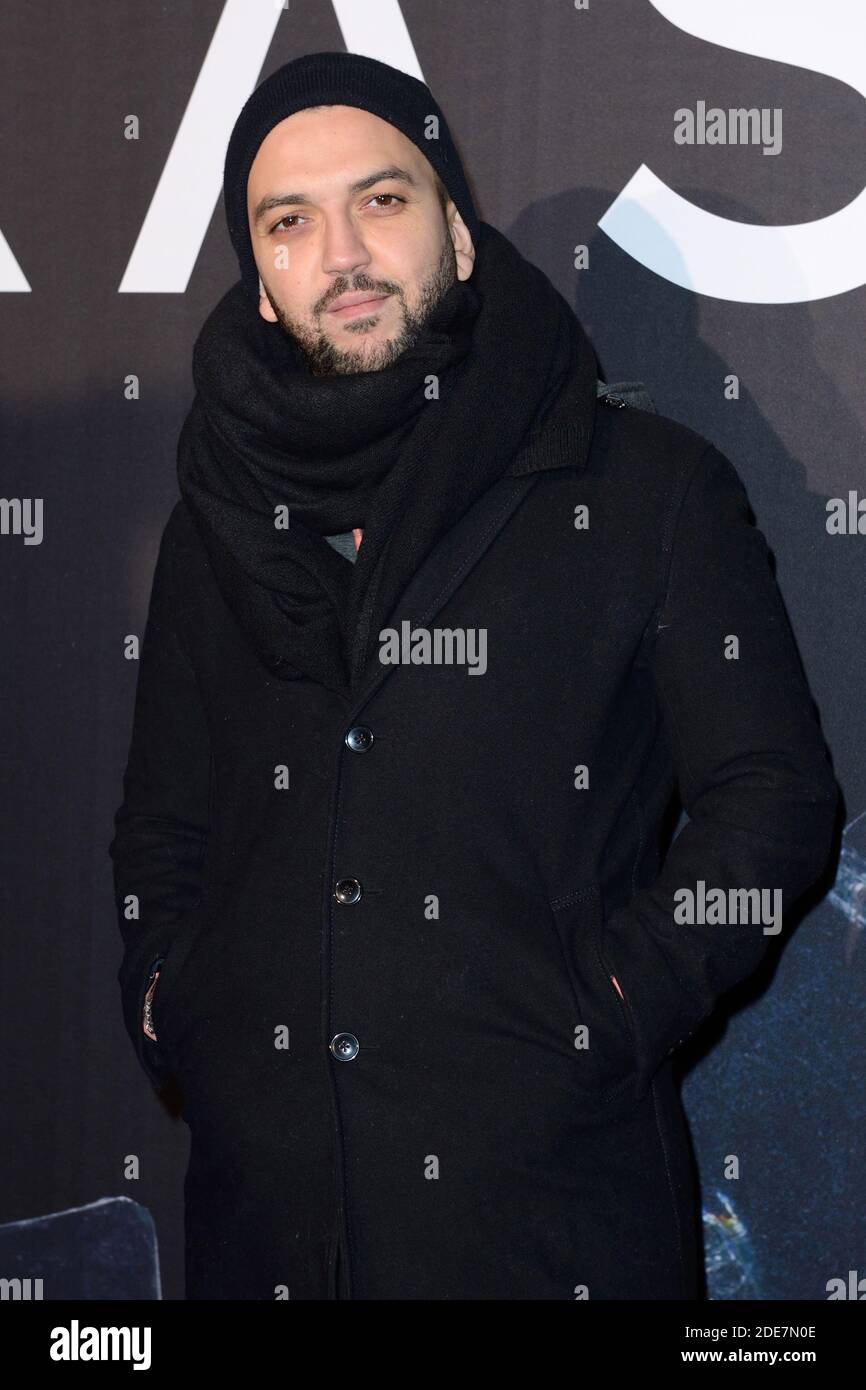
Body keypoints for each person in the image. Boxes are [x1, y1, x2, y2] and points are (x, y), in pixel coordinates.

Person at [109, 51, 839, 1301]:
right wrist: (174, 1000)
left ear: (453, 220)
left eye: (380, 200)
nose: (340, 251)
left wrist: (613, 999)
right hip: (264, 1232)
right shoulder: (213, 516)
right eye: (290, 222)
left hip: (549, 1227)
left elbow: (771, 800)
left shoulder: (643, 489)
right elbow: (162, 827)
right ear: (264, 283)